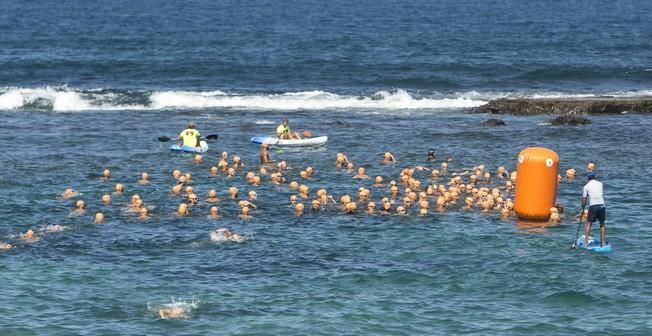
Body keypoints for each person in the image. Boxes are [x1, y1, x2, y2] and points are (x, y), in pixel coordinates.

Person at [582, 172, 607, 247]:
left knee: (589, 224)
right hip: (602, 205)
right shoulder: (600, 184)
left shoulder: (586, 186)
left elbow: (584, 198)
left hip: (593, 206)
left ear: (588, 178)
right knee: (602, 224)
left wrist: (583, 207)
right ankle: (603, 243)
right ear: (594, 177)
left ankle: (586, 243)